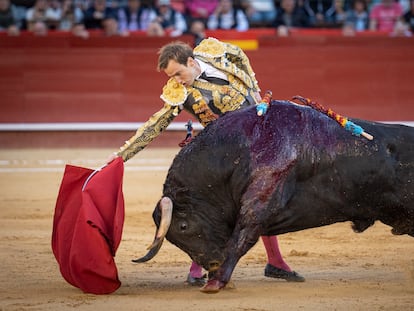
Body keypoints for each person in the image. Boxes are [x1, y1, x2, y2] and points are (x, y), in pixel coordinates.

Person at [107, 37, 305, 286]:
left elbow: (239, 54)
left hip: (258, 141)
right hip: (225, 153)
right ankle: (200, 269)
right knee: (234, 207)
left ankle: (274, 263)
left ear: (191, 61)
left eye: (179, 73)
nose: (176, 80)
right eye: (171, 76)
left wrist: (254, 86)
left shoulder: (212, 52)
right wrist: (121, 156)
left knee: (265, 199)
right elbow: (154, 125)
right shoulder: (179, 93)